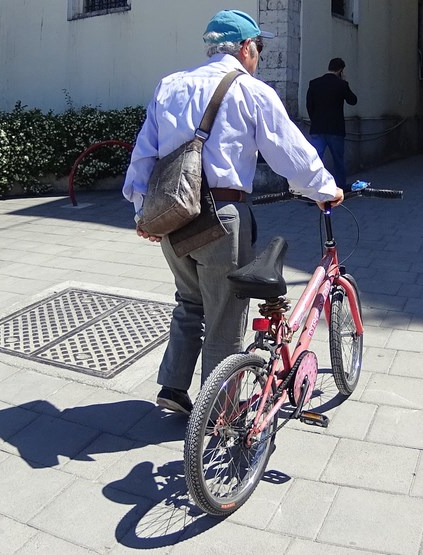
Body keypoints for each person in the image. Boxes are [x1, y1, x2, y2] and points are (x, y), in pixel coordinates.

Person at [123, 9, 345, 415]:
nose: (258, 56)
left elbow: (144, 154)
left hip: (172, 211)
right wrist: (325, 191)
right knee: (225, 314)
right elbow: (289, 152)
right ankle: (220, 413)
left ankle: (173, 387)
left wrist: (142, 212)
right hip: (221, 217)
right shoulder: (251, 91)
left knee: (189, 300)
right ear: (245, 48)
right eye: (258, 47)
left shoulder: (170, 86)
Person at [306, 58, 358, 191]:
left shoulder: (314, 83)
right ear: (340, 70)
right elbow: (353, 101)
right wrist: (344, 83)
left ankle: (313, 188)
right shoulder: (341, 85)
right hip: (335, 129)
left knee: (315, 161)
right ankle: (340, 187)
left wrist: (315, 120)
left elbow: (309, 105)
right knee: (338, 160)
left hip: (318, 128)